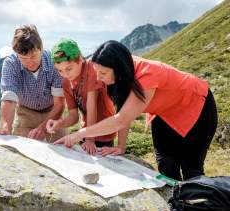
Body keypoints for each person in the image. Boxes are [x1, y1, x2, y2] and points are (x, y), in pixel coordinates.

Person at [54, 40, 218, 181]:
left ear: (117, 69)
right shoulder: (121, 73)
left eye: (103, 73)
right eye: (96, 72)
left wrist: (79, 134)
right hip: (164, 113)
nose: (98, 78)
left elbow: (121, 119)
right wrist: (121, 147)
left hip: (196, 106)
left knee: (191, 169)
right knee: (166, 165)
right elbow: (123, 111)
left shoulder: (147, 74)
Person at [46, 38, 121, 155]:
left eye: (69, 69)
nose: (65, 74)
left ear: (80, 59)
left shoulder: (91, 69)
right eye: (60, 71)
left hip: (103, 132)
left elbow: (92, 105)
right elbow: (73, 116)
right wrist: (59, 124)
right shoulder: (66, 83)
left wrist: (90, 139)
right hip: (85, 133)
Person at [0, 25, 65, 142]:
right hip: (25, 114)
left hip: (52, 113)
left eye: (33, 56)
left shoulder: (54, 63)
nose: (30, 63)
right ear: (16, 54)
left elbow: (59, 104)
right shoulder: (10, 64)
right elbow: (9, 98)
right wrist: (5, 127)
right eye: (23, 58)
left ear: (40, 48)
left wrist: (42, 128)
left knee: (61, 147)